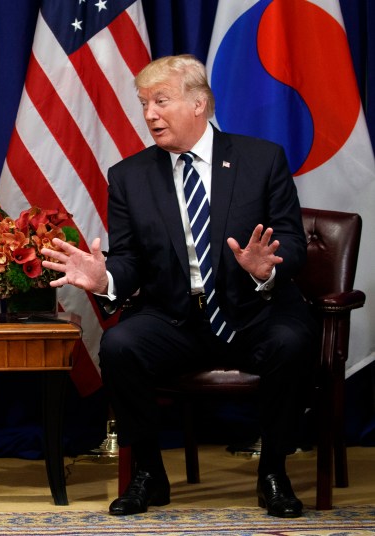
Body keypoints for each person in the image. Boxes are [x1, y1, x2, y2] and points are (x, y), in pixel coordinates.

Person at [41, 55, 314, 518]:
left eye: (161, 101)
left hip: (253, 311)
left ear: (199, 103)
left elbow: (291, 241)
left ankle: (273, 471)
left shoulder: (261, 159)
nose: (150, 114)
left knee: (291, 341)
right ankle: (149, 472)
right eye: (144, 104)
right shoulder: (129, 176)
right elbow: (129, 259)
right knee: (121, 346)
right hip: (176, 317)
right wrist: (105, 278)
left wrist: (263, 268)